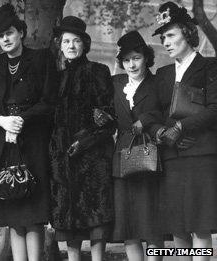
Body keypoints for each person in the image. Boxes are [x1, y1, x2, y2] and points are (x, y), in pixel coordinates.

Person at [0, 4, 58, 261]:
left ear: (21, 33)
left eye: (10, 33)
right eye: (0, 36)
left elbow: (48, 101)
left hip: (32, 141)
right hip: (3, 142)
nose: (5, 39)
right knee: (12, 214)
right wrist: (2, 120)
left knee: (33, 214)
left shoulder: (41, 59)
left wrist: (21, 119)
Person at [151, 2, 217, 260]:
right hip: (172, 157)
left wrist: (180, 127)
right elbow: (152, 113)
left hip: (200, 156)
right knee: (178, 226)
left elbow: (215, 109)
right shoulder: (163, 74)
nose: (166, 42)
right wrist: (160, 133)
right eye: (163, 37)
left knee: (199, 225)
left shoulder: (210, 67)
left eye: (171, 35)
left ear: (188, 34)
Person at [49, 16, 115, 261]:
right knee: (69, 222)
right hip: (62, 158)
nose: (71, 46)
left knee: (96, 217)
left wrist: (85, 141)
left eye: (76, 41)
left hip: (93, 157)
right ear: (60, 45)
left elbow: (108, 116)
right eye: (66, 41)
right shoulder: (55, 76)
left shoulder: (98, 71)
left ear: (84, 45)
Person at [111, 30, 164, 261]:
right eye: (126, 60)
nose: (131, 64)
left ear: (146, 58)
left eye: (136, 58)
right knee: (128, 227)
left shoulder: (158, 83)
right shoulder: (115, 83)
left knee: (150, 224)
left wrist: (149, 118)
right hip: (121, 156)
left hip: (149, 154)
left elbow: (167, 112)